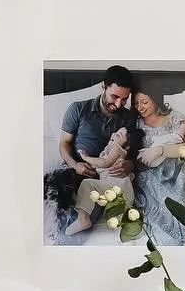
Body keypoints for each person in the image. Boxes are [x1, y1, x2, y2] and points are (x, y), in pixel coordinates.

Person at [58, 66, 138, 238]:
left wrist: (129, 165)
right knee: (62, 207)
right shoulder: (78, 109)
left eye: (124, 99)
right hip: (78, 172)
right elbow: (64, 143)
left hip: (108, 176)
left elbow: (133, 153)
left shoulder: (128, 118)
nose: (118, 104)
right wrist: (75, 164)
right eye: (114, 96)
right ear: (103, 86)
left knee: (94, 215)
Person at [132, 83, 185, 244]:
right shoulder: (135, 124)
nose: (140, 107)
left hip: (176, 173)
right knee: (160, 199)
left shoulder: (176, 118)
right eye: (136, 103)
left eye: (144, 102)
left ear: (155, 99)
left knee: (178, 202)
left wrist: (160, 150)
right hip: (149, 176)